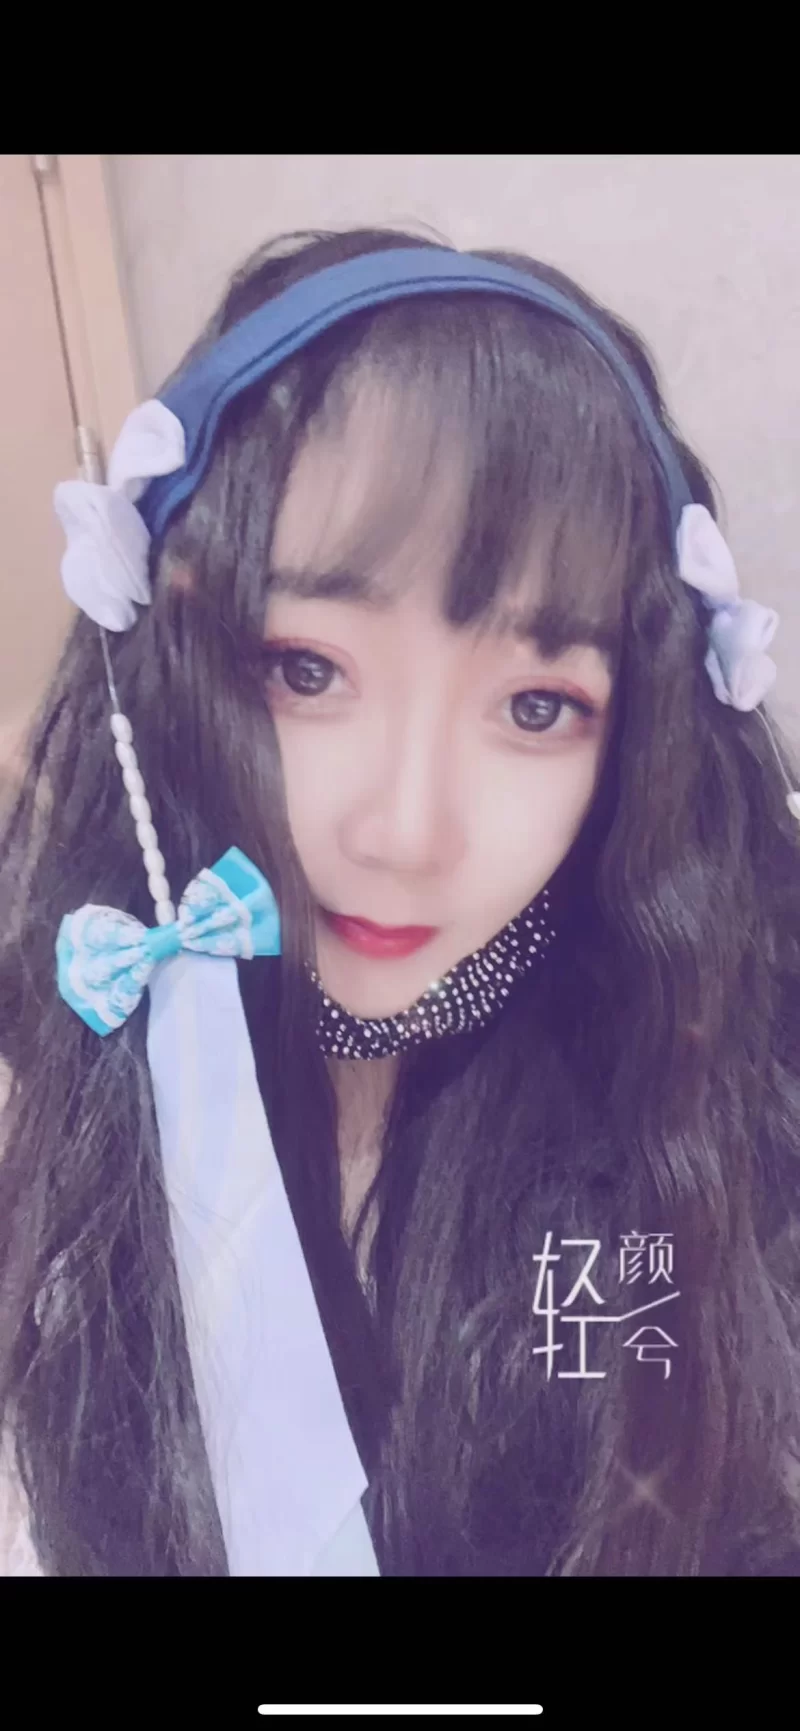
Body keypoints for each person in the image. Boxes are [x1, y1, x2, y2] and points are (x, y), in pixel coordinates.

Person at [1, 227, 800, 1578]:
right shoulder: (79, 1059)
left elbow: (643, 1509)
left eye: (536, 707)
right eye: (305, 669)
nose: (405, 833)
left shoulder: (645, 1129)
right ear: (174, 647)